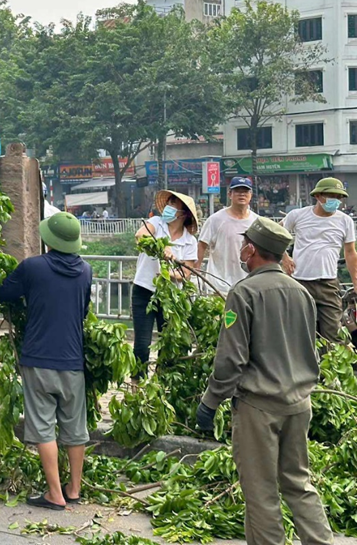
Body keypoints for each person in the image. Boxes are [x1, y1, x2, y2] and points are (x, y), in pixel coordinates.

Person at [197, 218, 332, 545]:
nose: (241, 249)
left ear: (252, 249)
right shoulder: (301, 292)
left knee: (260, 492)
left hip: (259, 407)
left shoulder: (243, 293)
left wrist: (210, 401)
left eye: (244, 243)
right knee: (298, 483)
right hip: (299, 404)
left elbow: (231, 359)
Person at [0, 212, 92, 510]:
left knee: (43, 428)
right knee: (75, 429)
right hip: (72, 360)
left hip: (38, 358)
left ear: (48, 240)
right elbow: (83, 311)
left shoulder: (33, 268)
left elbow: (3, 292)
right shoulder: (86, 271)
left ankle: (54, 494)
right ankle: (73, 489)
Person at [131, 190, 199, 378]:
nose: (169, 207)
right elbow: (140, 236)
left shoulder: (189, 241)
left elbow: (186, 272)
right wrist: (162, 247)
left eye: (174, 204)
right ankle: (137, 383)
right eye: (169, 202)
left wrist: (168, 273)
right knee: (142, 343)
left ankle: (161, 382)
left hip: (170, 297)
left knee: (167, 340)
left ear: (183, 213)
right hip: (144, 290)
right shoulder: (156, 224)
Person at [282, 177, 357, 341]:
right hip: (300, 281)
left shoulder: (345, 221)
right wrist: (284, 257)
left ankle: (330, 366)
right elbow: (275, 234)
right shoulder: (297, 215)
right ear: (318, 196)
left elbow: (350, 253)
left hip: (328, 283)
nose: (335, 201)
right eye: (331, 196)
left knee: (333, 334)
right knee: (300, 332)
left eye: (338, 197)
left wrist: (356, 283)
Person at [197, 177, 258, 294]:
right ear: (230, 194)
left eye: (245, 191)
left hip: (248, 285)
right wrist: (196, 273)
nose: (242, 194)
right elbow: (201, 245)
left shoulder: (257, 222)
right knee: (222, 313)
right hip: (219, 286)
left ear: (251, 195)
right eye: (237, 191)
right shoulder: (215, 220)